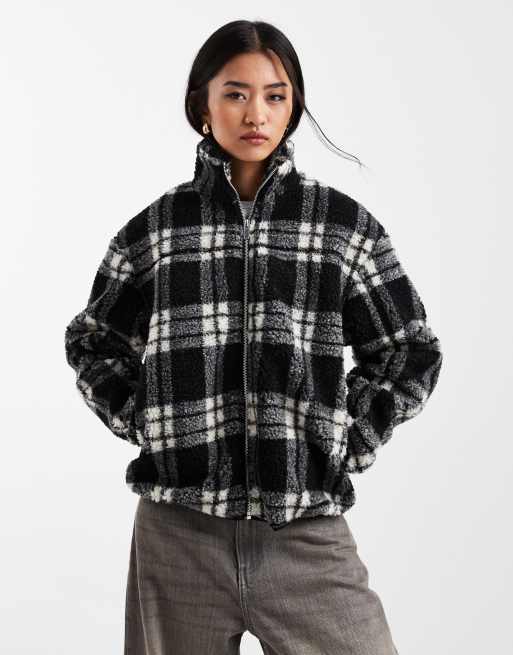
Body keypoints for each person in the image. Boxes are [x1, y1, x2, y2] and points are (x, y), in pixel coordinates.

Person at [64, 19, 442, 655]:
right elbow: (94, 342)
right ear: (202, 105)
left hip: (306, 531)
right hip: (178, 536)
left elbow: (409, 351)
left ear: (293, 107)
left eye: (275, 95)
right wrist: (149, 421)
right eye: (235, 93)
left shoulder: (342, 226)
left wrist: (346, 438)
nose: (256, 114)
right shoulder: (155, 231)